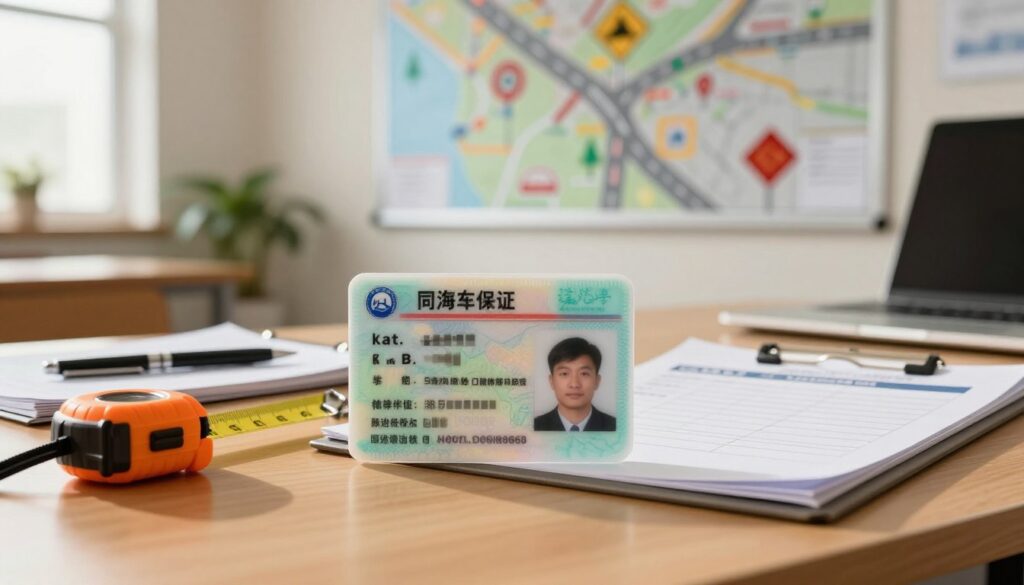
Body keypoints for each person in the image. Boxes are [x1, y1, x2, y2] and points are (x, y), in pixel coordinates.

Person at [534, 337, 616, 432]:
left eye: (584, 374)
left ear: (597, 381)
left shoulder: (616, 428)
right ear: (551, 381)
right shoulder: (534, 428)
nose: (574, 384)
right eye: (564, 374)